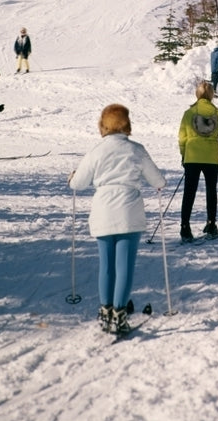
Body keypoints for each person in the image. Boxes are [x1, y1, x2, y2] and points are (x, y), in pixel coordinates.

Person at [68, 104, 165, 336]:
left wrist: (72, 177)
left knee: (107, 265)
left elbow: (78, 184)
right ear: (127, 124)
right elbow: (158, 181)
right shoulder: (137, 150)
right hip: (129, 213)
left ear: (103, 125)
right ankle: (119, 314)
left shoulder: (96, 151)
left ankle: (105, 311)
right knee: (124, 267)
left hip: (103, 212)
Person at [178, 82, 218, 241]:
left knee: (189, 192)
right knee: (211, 191)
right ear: (212, 95)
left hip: (192, 157)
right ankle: (211, 225)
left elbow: (182, 138)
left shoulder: (188, 113)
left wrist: (183, 155)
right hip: (211, 158)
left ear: (197, 95)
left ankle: (185, 227)